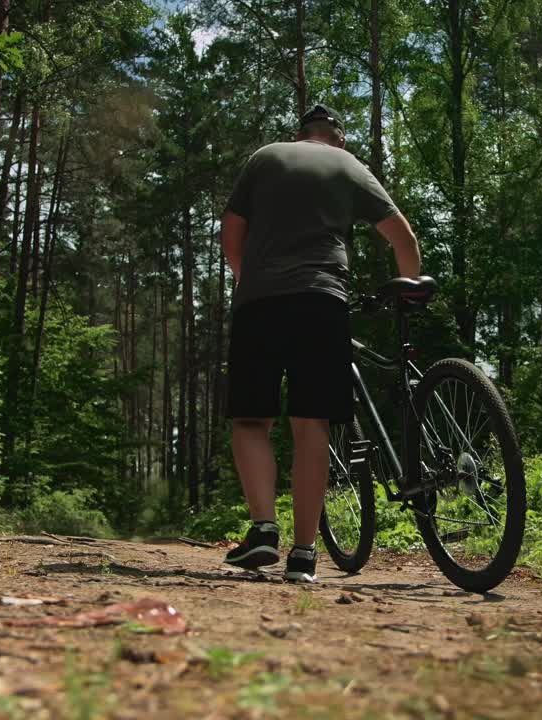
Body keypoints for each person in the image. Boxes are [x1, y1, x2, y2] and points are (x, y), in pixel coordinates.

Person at [219, 104, 421, 583]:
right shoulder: (350, 166)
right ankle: (305, 556)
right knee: (312, 426)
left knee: (251, 419)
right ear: (339, 139)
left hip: (260, 302)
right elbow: (401, 235)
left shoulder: (266, 157)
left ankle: (264, 529)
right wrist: (408, 293)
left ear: (299, 134)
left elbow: (232, 229)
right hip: (323, 301)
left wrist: (246, 280)